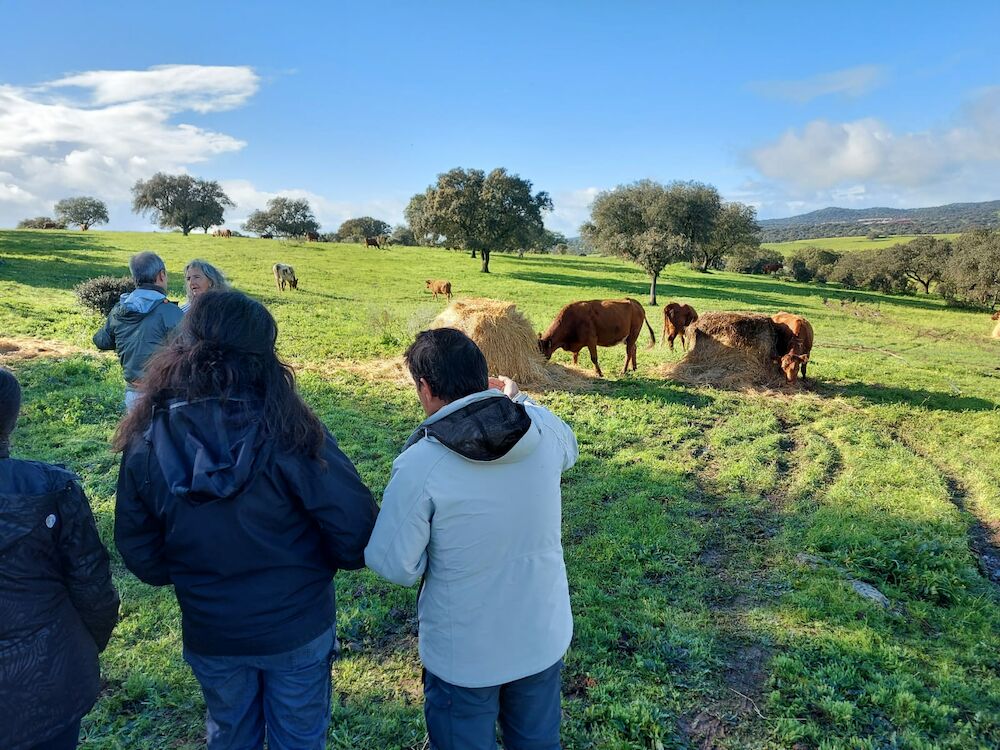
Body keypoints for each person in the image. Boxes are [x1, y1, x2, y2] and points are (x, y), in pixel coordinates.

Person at [112, 290, 378, 750]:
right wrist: (311, 567)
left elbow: (139, 549)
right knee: (299, 739)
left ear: (182, 350)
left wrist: (196, 575)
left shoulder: (146, 436)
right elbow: (356, 532)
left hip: (212, 630)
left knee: (231, 736)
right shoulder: (292, 430)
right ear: (265, 357)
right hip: (297, 625)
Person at [365, 328, 578, 750]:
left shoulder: (421, 463)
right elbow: (569, 446)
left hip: (464, 655)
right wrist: (520, 400)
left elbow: (392, 563)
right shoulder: (540, 430)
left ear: (425, 388)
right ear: (486, 379)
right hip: (541, 635)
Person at [0, 368, 120, 750]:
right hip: (47, 678)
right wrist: (84, 646)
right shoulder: (54, 488)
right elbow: (93, 587)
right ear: (13, 417)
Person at [93, 251, 183, 410]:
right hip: (163, 394)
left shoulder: (119, 310)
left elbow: (102, 341)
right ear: (161, 275)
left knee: (136, 434)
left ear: (135, 278)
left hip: (133, 393)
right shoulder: (170, 311)